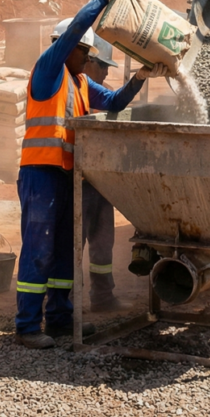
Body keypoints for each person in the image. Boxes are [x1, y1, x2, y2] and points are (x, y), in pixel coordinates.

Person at [14, 0, 169, 350]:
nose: (88, 59)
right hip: (41, 174)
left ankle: (62, 318)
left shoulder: (82, 82)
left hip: (66, 176)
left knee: (67, 250)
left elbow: (115, 103)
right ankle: (26, 325)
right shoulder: (49, 69)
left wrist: (141, 77)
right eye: (85, 52)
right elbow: (74, 33)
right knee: (40, 247)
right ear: (67, 49)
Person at [80, 35, 128, 313]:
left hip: (102, 182)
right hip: (77, 180)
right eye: (103, 66)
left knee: (102, 243)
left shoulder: (105, 92)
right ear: (88, 62)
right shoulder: (70, 92)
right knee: (73, 245)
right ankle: (68, 304)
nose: (107, 72)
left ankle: (102, 297)